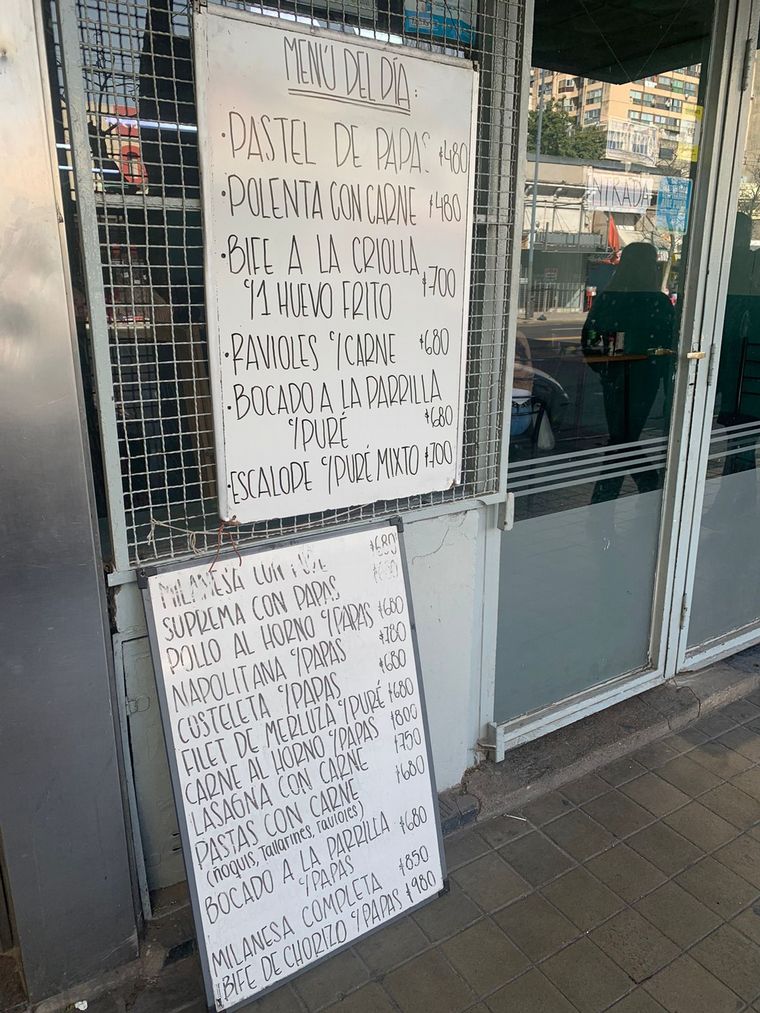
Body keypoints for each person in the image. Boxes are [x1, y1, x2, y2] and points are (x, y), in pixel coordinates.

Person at [581, 242, 676, 502]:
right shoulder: (658, 302)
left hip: (616, 375)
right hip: (645, 378)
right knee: (624, 437)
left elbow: (592, 338)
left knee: (621, 437)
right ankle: (644, 483)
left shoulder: (610, 298)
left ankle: (609, 496)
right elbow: (670, 347)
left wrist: (604, 365)